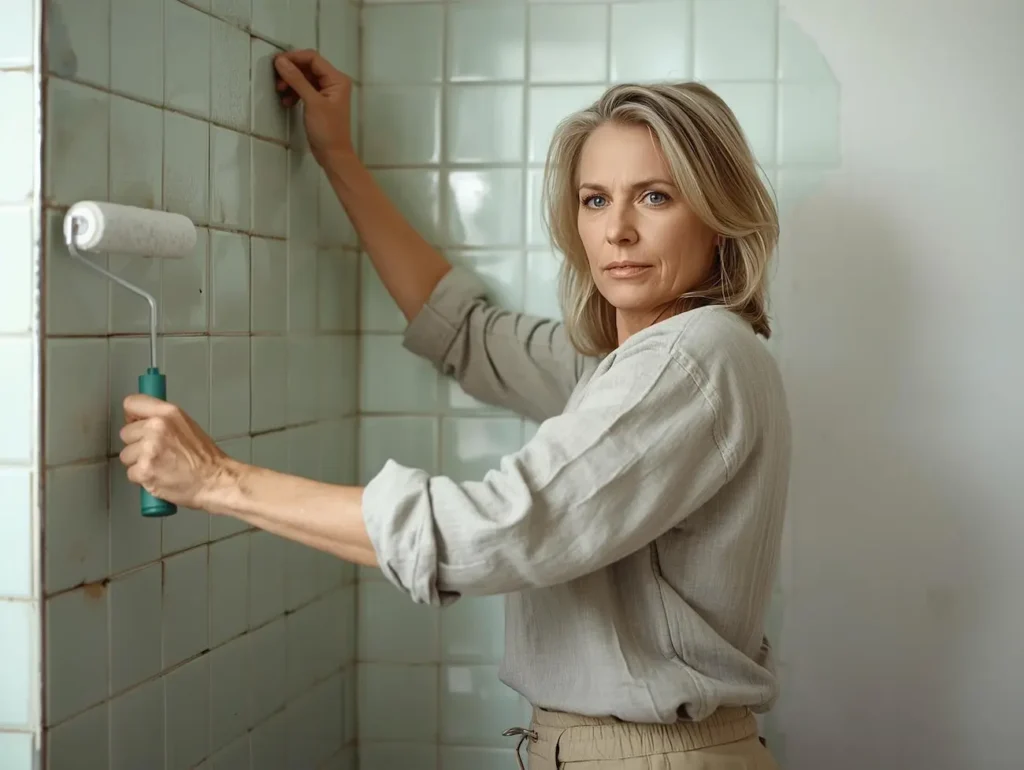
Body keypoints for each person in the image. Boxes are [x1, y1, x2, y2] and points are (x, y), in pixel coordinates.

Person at [119, 49, 790, 770]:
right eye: (595, 199)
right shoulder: (623, 368)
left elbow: (493, 532)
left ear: (719, 218)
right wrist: (337, 153)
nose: (617, 230)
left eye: (655, 197)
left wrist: (217, 481)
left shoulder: (690, 358)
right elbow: (467, 333)